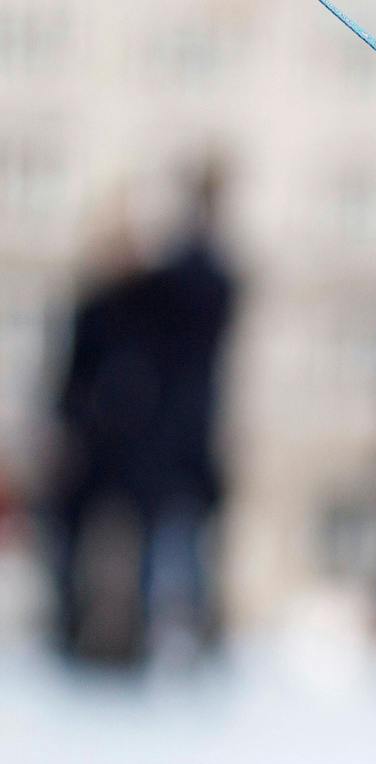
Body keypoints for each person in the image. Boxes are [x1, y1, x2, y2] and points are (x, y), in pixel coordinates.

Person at [48, 164, 238, 663]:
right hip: (102, 445)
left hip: (154, 447)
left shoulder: (160, 296)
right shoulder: (96, 306)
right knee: (96, 547)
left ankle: (151, 639)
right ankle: (89, 635)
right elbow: (71, 377)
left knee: (164, 544)